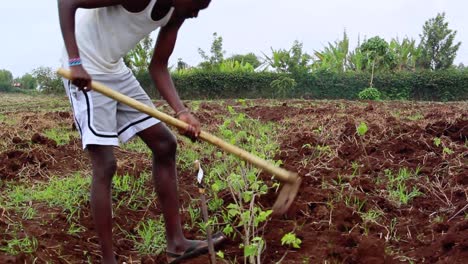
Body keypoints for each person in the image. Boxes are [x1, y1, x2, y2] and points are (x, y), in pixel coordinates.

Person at [57, 0, 225, 263]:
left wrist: (181, 112)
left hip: (115, 70)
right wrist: (75, 61)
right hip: (86, 68)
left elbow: (158, 65)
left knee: (165, 145)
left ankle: (177, 244)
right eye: (196, 6)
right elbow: (67, 2)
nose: (195, 14)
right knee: (105, 164)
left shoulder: (175, 13)